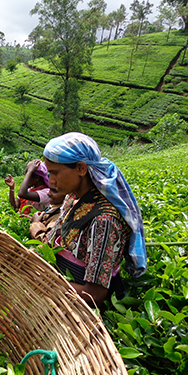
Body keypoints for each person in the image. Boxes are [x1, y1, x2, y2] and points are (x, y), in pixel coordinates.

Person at [43, 132, 147, 308]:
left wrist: (45, 288)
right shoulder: (71, 198)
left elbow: (95, 295)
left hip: (80, 301)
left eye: (55, 173)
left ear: (81, 169)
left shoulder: (104, 220)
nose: (50, 181)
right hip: (61, 282)